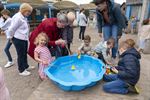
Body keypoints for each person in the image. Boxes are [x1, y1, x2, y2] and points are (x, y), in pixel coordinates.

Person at [7, 3, 33, 76]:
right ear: (23, 10)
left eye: (30, 12)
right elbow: (11, 29)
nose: (29, 13)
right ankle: (21, 70)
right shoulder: (17, 17)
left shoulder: (23, 16)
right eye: (28, 11)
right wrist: (10, 37)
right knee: (20, 54)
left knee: (24, 53)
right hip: (18, 39)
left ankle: (26, 66)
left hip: (23, 38)